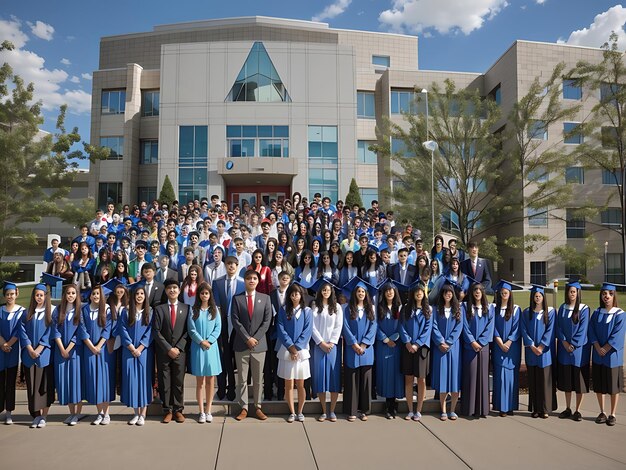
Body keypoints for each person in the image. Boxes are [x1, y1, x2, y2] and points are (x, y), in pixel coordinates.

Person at [231, 269, 272, 421]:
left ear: (258, 280)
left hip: (259, 345)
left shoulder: (266, 298)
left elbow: (267, 322)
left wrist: (255, 338)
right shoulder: (237, 299)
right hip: (241, 344)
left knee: (258, 378)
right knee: (241, 378)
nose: (252, 281)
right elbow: (235, 320)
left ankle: (258, 406)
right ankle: (243, 407)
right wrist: (247, 338)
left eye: (254, 278)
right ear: (245, 280)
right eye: (249, 278)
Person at [152, 279, 191, 423]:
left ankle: (178, 410)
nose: (172, 290)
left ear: (179, 290)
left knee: (178, 381)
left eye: (175, 288)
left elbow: (188, 331)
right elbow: (156, 331)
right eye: (169, 288)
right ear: (166, 291)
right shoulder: (159, 309)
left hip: (180, 352)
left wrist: (178, 347)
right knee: (165, 381)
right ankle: (167, 409)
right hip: (164, 352)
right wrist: (168, 348)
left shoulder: (186, 309)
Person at [589, 283, 625, 426]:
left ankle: (612, 413)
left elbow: (618, 334)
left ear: (614, 295)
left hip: (612, 356)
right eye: (604, 294)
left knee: (613, 386)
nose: (607, 296)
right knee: (600, 384)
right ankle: (602, 411)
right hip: (598, 354)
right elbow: (591, 330)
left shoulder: (620, 314)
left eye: (610, 294)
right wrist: (598, 346)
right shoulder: (597, 313)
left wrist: (606, 347)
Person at [276, 283, 313, 423]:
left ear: (301, 295)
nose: (294, 296)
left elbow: (307, 331)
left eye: (297, 294)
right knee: (289, 384)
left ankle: (300, 411)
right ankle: (292, 412)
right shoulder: (283, 310)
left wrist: (297, 348)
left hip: (301, 353)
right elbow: (281, 329)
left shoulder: (307, 311)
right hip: (287, 351)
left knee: (301, 384)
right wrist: (291, 347)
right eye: (292, 294)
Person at [19, 284, 54, 428]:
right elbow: (22, 331)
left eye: (41, 295)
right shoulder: (27, 313)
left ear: (46, 296)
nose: (39, 297)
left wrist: (39, 349)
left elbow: (49, 332)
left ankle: (44, 416)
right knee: (32, 386)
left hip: (43, 355)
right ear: (34, 297)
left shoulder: (50, 313)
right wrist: (29, 347)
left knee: (43, 387)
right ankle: (36, 415)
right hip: (29, 355)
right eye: (37, 295)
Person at [342, 281, 377, 422]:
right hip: (352, 349)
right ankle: (351, 410)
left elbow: (373, 327)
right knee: (352, 380)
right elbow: (345, 327)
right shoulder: (348, 309)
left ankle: (364, 411)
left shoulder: (371, 309)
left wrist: (364, 344)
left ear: (366, 294)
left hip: (366, 349)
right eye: (358, 291)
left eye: (363, 291)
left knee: (366, 381)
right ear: (355, 293)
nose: (361, 293)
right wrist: (355, 344)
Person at [187, 282, 222, 424]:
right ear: (199, 295)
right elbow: (191, 329)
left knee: (210, 381)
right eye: (202, 293)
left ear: (210, 295)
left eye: (206, 293)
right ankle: (201, 411)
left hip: (211, 348)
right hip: (198, 347)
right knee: (200, 382)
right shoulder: (193, 310)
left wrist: (210, 341)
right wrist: (201, 341)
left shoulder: (214, 310)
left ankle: (209, 410)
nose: (204, 295)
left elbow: (218, 328)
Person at [212, 256, 246, 401]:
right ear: (225, 265)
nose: (231, 266)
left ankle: (232, 388)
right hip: (221, 325)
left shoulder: (243, 283)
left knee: (234, 359)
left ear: (237, 266)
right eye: (229, 264)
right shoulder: (217, 282)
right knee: (222, 357)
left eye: (234, 264)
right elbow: (215, 306)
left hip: (237, 326)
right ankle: (221, 388)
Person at [119, 284, 153, 426]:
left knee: (143, 380)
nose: (139, 296)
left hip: (144, 352)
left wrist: (140, 347)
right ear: (133, 296)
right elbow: (122, 329)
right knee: (131, 380)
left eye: (142, 294)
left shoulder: (150, 312)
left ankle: (143, 414)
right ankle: (135, 413)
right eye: (137, 294)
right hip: (129, 351)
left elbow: (151, 331)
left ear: (145, 297)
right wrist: (131, 347)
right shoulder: (126, 312)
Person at [556, 281, 590, 422]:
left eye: (574, 292)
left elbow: (583, 329)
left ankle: (578, 410)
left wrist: (573, 345)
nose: (571, 294)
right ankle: (568, 408)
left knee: (579, 381)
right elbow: (558, 327)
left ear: (578, 293)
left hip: (579, 351)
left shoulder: (584, 309)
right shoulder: (563, 308)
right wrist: (564, 342)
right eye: (570, 291)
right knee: (567, 381)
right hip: (564, 350)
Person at [310, 278, 343, 422]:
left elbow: (338, 325)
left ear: (332, 291)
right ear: (320, 292)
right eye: (323, 290)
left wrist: (332, 342)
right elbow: (312, 327)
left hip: (333, 346)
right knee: (321, 378)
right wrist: (321, 343)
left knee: (334, 378)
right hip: (319, 347)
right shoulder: (315, 307)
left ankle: (333, 410)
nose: (326, 292)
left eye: (328, 290)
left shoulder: (337, 307)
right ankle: (324, 410)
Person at [79, 285, 113, 425]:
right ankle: (99, 413)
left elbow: (107, 329)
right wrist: (91, 346)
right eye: (94, 294)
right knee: (94, 380)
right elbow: (82, 328)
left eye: (98, 294)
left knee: (104, 381)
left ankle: (107, 414)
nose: (96, 296)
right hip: (89, 349)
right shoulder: (85, 309)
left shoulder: (107, 310)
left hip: (103, 350)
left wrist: (98, 346)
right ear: (90, 295)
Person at [521, 285, 556, 419]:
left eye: (540, 295)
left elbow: (550, 331)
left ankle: (545, 409)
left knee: (544, 381)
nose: (537, 297)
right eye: (535, 295)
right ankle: (535, 409)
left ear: (543, 297)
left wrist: (541, 346)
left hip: (544, 353)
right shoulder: (526, 312)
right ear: (532, 297)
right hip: (531, 352)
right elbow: (523, 329)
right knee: (534, 381)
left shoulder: (550, 313)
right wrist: (531, 344)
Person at [399, 283, 432, 421]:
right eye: (416, 291)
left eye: (421, 291)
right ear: (412, 293)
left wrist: (417, 344)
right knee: (408, 379)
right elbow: (401, 326)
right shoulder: (406, 309)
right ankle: (410, 410)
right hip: (407, 348)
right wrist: (407, 342)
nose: (419, 293)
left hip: (421, 349)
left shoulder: (428, 309)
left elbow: (427, 329)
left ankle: (418, 410)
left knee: (421, 379)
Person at [460, 283, 494, 418]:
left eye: (480, 290)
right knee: (471, 375)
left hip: (483, 347)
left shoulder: (489, 308)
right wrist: (473, 342)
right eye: (475, 290)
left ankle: (482, 409)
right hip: (470, 346)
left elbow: (490, 326)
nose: (477, 292)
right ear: (472, 293)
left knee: (483, 376)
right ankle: (469, 409)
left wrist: (481, 342)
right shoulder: (465, 307)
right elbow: (464, 325)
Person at [51, 284, 83, 426]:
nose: (70, 295)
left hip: (75, 352)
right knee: (66, 382)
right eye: (68, 293)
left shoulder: (80, 311)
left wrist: (68, 348)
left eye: (73, 293)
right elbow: (55, 330)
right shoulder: (59, 310)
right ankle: (71, 413)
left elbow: (79, 332)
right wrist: (61, 348)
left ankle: (77, 414)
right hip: (60, 351)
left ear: (77, 295)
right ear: (64, 295)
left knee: (76, 382)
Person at [431, 282, 463, 421]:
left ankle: (453, 410)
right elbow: (434, 326)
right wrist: (440, 341)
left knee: (454, 379)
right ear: (442, 295)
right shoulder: (436, 310)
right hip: (440, 348)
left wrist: (449, 342)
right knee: (443, 379)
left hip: (454, 347)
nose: (448, 294)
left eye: (450, 292)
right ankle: (443, 410)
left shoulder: (458, 310)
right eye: (445, 292)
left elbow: (459, 327)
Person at [490, 280, 522, 417]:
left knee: (511, 377)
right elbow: (493, 327)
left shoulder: (516, 309)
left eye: (506, 293)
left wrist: (508, 342)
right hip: (498, 347)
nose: (504, 294)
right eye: (502, 293)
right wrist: (499, 342)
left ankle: (510, 406)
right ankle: (501, 406)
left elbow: (517, 328)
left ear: (510, 294)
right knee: (500, 377)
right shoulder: (494, 309)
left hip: (512, 348)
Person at [375, 282, 404, 419]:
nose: (389, 293)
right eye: (387, 291)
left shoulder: (400, 307)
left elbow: (402, 325)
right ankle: (387, 405)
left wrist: (395, 339)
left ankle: (394, 405)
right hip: (383, 345)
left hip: (396, 345)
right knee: (385, 374)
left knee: (395, 374)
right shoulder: (379, 308)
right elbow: (375, 325)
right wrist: (386, 339)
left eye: (391, 290)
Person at [0, 282, 25, 425]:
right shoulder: (0, 310)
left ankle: (9, 412)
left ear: (16, 294)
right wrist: (3, 343)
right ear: (4, 296)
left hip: (13, 350)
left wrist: (9, 344)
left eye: (12, 294)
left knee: (10, 382)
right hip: (0, 349)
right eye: (7, 294)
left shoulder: (21, 311)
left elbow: (19, 331)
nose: (10, 296)